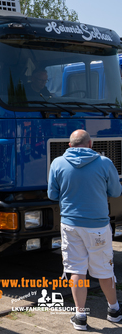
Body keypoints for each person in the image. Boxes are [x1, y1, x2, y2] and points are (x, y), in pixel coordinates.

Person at [48, 129, 122, 330]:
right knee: (105, 269)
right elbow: (116, 191)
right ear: (90, 144)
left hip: (70, 225)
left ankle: (80, 316)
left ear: (70, 146)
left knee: (76, 270)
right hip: (98, 226)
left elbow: (53, 195)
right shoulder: (104, 163)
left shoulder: (57, 163)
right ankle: (114, 310)